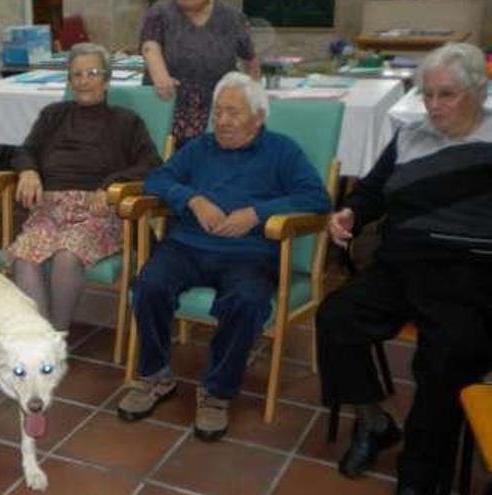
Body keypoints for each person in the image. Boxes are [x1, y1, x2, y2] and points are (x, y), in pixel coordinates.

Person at [316, 43, 492, 495]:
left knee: (447, 357)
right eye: (427, 94)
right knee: (336, 318)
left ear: (480, 90)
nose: (434, 106)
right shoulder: (410, 136)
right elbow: (371, 191)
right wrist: (351, 213)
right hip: (401, 265)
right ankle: (374, 422)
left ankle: (420, 475)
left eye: (447, 95)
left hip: (468, 273)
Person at [116, 72, 330, 440]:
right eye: (219, 112)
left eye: (233, 113)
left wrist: (256, 213)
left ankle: (217, 393)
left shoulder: (282, 151)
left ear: (258, 117)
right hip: (188, 245)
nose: (223, 121)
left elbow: (317, 199)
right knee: (150, 282)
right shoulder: (200, 148)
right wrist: (193, 200)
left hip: (249, 254)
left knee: (246, 301)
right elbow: (157, 180)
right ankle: (155, 377)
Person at [8, 42, 162, 332]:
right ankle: (40, 340)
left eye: (92, 73)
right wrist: (28, 170)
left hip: (98, 211)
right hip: (49, 209)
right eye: (76, 74)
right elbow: (25, 151)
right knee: (24, 258)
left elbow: (153, 164)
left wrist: (112, 184)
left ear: (106, 79)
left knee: (68, 256)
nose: (83, 81)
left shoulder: (126, 122)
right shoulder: (53, 115)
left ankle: (57, 334)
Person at [140, 0, 260, 148]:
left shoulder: (232, 17)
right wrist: (160, 77)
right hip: (169, 111)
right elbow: (150, 46)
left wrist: (252, 97)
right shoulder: (160, 11)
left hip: (217, 115)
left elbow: (250, 60)